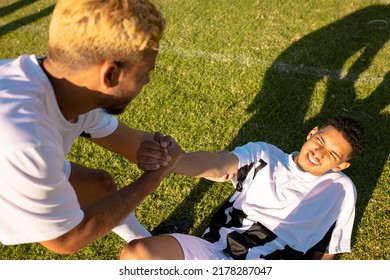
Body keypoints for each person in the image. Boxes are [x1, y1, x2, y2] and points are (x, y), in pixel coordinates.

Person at [0, 0, 182, 257]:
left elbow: (132, 144)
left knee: (100, 185)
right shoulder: (27, 140)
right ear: (109, 75)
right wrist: (154, 177)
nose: (148, 80)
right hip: (10, 163)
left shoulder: (68, 86)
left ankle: (149, 242)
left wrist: (155, 151)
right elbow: (66, 240)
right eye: (144, 73)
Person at [121, 116, 365, 260]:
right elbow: (217, 164)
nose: (318, 153)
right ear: (312, 133)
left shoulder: (340, 190)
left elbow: (327, 251)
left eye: (331, 154)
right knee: (136, 254)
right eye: (319, 141)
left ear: (341, 165)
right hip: (214, 253)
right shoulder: (265, 154)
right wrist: (175, 160)